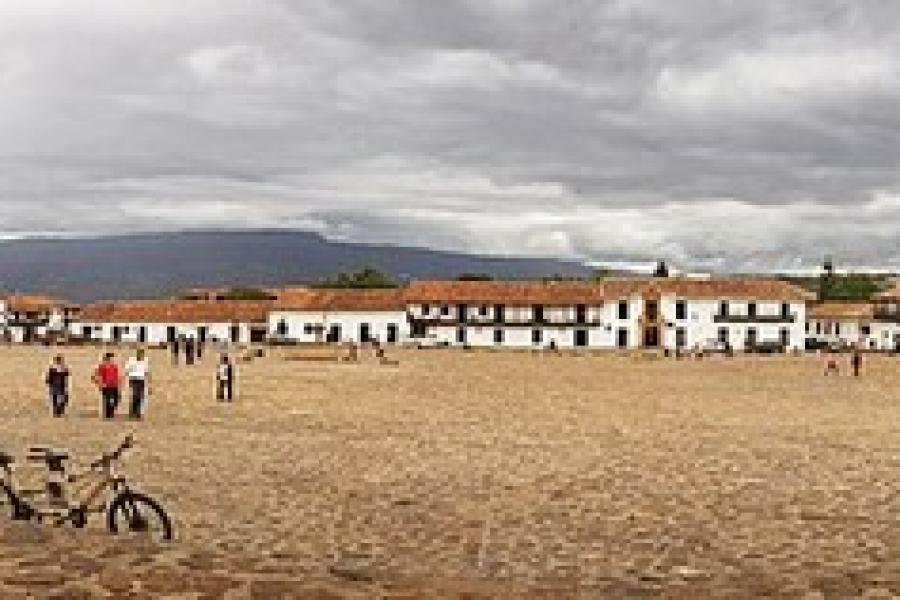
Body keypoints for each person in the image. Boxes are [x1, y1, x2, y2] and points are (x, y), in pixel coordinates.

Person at [92, 352, 121, 419]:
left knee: (115, 400)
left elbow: (117, 376)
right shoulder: (102, 366)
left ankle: (111, 410)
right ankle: (108, 414)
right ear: (107, 358)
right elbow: (96, 375)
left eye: (112, 358)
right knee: (107, 400)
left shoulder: (114, 366)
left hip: (114, 385)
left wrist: (119, 383)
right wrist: (99, 383)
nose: (112, 359)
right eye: (111, 358)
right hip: (106, 385)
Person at [124, 348, 150, 419]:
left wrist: (147, 381)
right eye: (139, 354)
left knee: (140, 396)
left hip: (141, 380)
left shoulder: (145, 361)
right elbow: (127, 370)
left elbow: (146, 372)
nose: (140, 356)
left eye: (141, 354)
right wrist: (130, 376)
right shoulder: (132, 361)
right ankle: (133, 412)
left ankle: (137, 412)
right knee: (135, 395)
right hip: (134, 379)